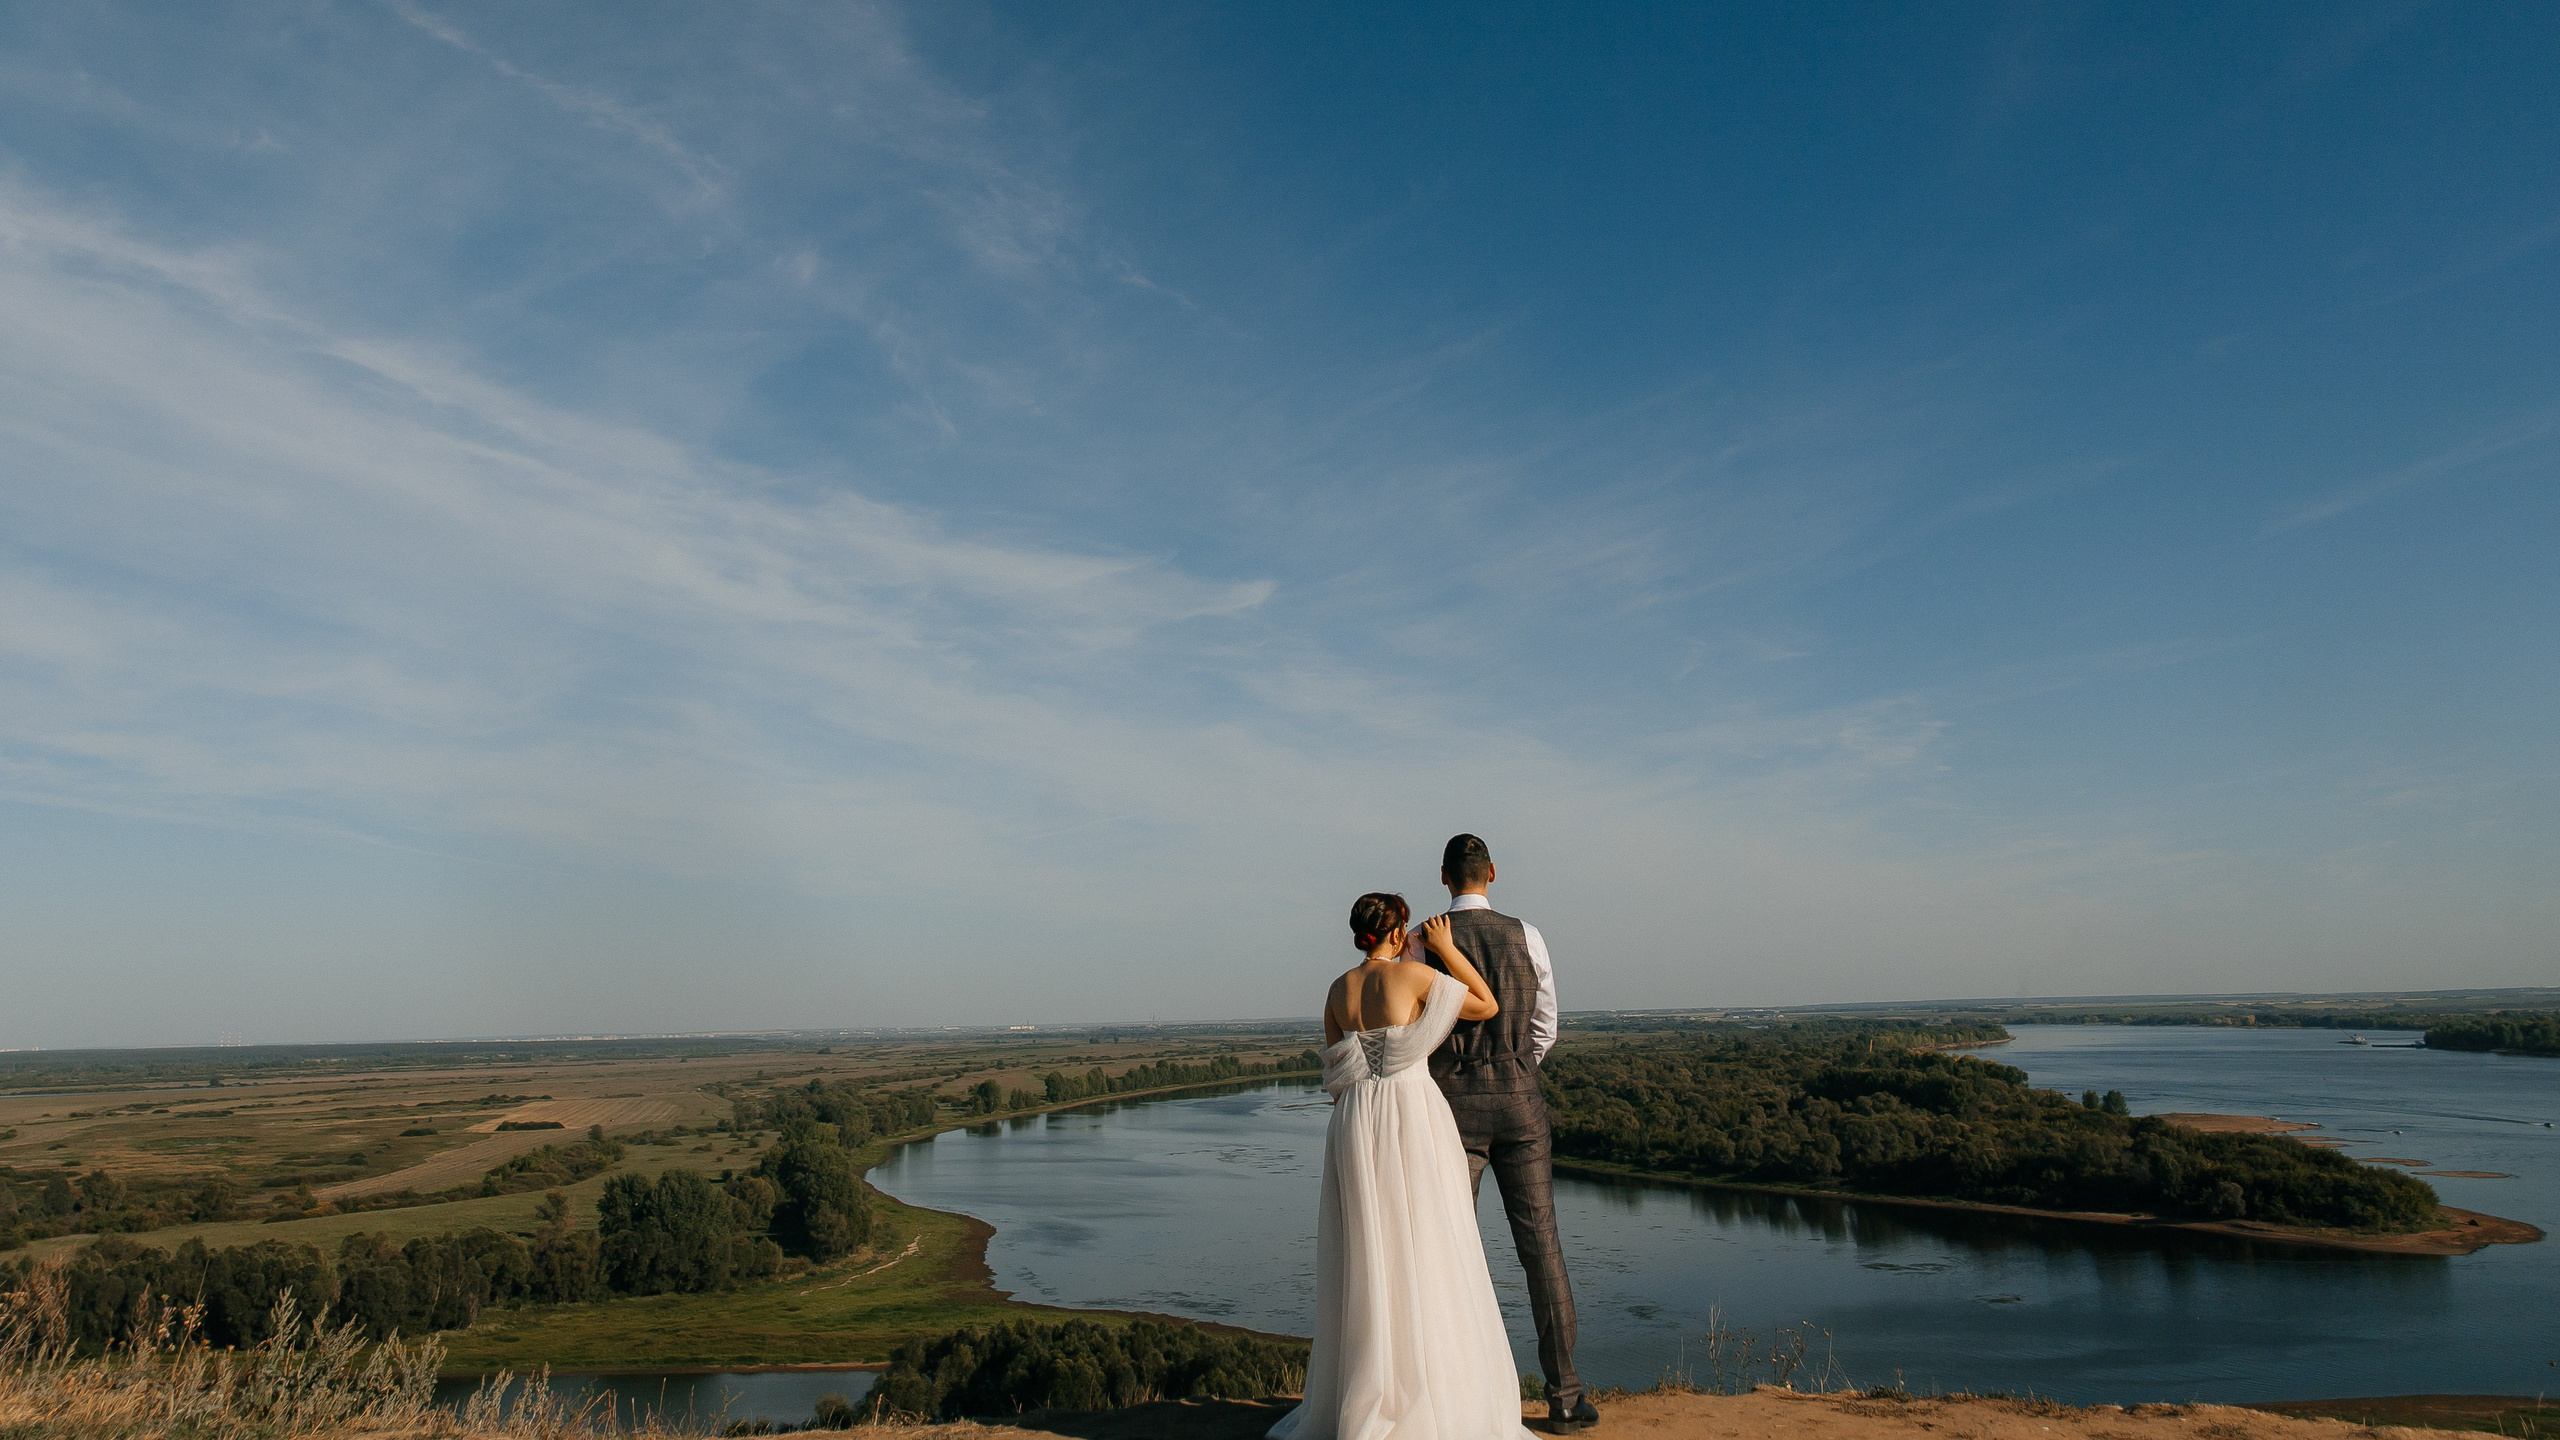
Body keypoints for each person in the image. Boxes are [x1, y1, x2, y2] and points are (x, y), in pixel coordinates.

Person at [1268, 892, 1536, 1440]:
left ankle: (1363, 1391)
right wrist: (1443, 947)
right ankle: (1427, 1392)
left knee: (1366, 1250)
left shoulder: (1337, 989)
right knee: (1426, 1243)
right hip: (1410, 1113)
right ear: (1398, 932)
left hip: (1355, 1121)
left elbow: (1339, 1078)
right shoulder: (1413, 977)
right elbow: (1485, 1005)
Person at [1412, 834, 1594, 1432]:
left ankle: (1449, 1399)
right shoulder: (1528, 936)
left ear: (1444, 877)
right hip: (1520, 1103)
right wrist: (1514, 1069)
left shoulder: (1422, 941)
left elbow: (1414, 1025)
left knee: (1445, 1253)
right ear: (1491, 872)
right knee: (1542, 1246)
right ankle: (1565, 1398)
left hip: (1452, 1105)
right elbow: (1546, 1028)